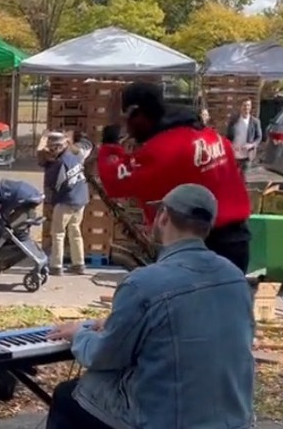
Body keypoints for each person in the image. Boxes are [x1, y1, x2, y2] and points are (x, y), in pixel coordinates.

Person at [45, 184, 255, 429]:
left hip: (166, 420)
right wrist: (115, 325)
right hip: (233, 418)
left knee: (67, 395)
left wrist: (79, 334)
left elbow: (104, 356)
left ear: (163, 216)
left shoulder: (143, 283)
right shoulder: (235, 277)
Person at [97, 82, 251, 272]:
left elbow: (115, 182)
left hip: (198, 248)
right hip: (237, 241)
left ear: (136, 113)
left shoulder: (162, 151)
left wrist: (110, 141)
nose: (127, 130)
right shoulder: (213, 137)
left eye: (126, 120)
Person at [43, 131, 90, 276]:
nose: (51, 151)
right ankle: (79, 264)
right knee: (75, 232)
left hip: (66, 202)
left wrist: (50, 203)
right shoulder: (76, 157)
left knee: (58, 234)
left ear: (56, 148)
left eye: (52, 148)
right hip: (81, 200)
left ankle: (56, 266)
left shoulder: (58, 164)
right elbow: (89, 146)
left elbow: (52, 186)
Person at [225, 99, 262, 180]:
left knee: (244, 179)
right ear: (241, 107)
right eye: (244, 105)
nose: (246, 108)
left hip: (247, 156)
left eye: (248, 105)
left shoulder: (255, 122)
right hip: (234, 155)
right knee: (233, 178)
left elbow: (259, 137)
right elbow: (227, 136)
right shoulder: (234, 121)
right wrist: (230, 146)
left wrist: (252, 145)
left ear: (251, 107)